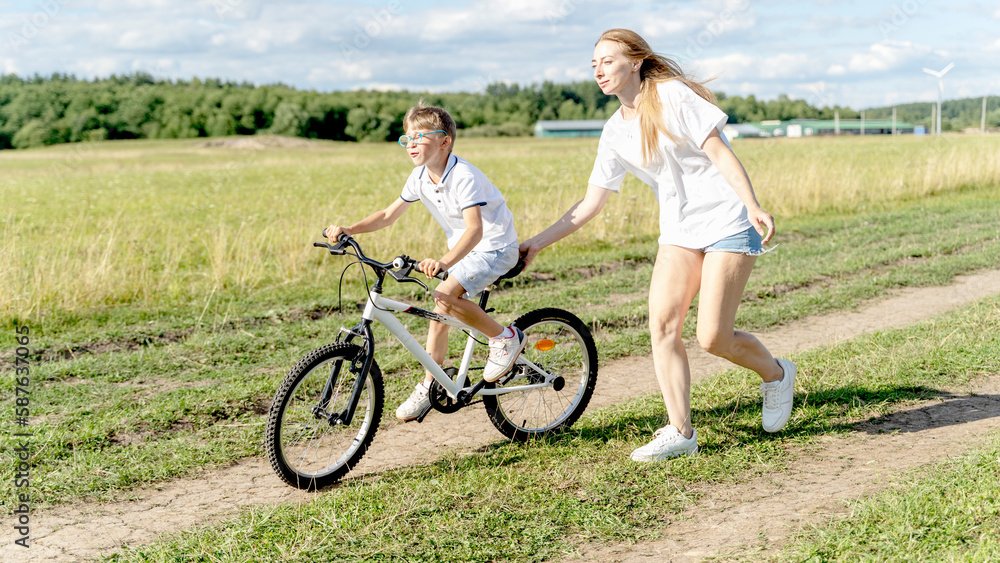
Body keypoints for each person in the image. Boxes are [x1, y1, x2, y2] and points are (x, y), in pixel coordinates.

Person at [519, 29, 796, 461]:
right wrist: (536, 243)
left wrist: (753, 204)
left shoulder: (672, 96)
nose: (598, 71)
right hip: (679, 232)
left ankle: (776, 375)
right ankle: (681, 432)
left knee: (712, 337)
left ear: (635, 61)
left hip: (726, 221)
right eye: (593, 65)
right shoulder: (614, 130)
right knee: (663, 327)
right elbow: (591, 203)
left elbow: (718, 151)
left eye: (607, 61)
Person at [325, 103, 526, 422]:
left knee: (444, 295)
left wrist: (444, 261)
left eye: (419, 136)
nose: (411, 144)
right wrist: (350, 229)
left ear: (444, 141)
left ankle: (505, 338)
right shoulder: (419, 177)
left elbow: (476, 229)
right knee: (439, 315)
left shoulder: (464, 176)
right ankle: (431, 383)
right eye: (407, 138)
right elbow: (388, 215)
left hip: (495, 246)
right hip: (467, 251)